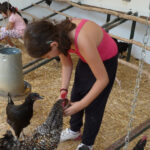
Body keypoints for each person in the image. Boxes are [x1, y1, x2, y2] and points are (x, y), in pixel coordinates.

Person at [23, 17, 118, 150]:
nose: (49, 58)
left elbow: (103, 80)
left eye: (47, 56)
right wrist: (63, 91)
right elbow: (66, 65)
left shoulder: (80, 40)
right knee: (77, 93)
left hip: (105, 59)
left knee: (94, 104)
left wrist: (82, 104)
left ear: (53, 45)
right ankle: (74, 131)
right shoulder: (57, 36)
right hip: (88, 57)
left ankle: (87, 143)